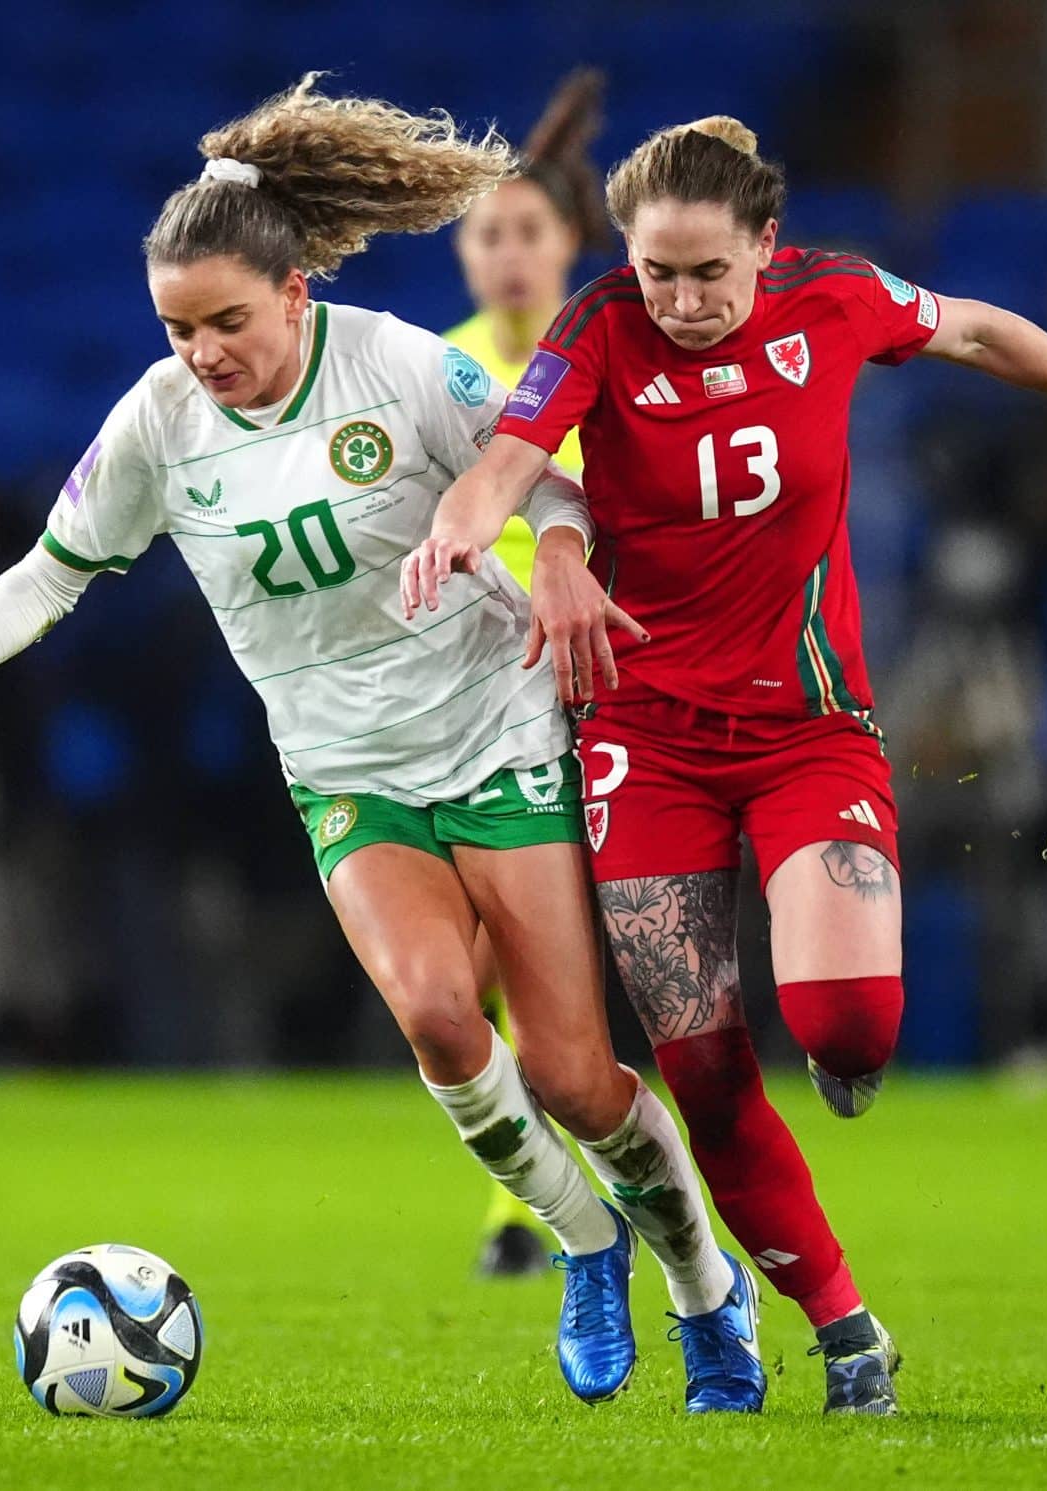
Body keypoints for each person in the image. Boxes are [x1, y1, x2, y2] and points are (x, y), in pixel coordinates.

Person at [0, 80, 764, 1414]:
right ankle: (589, 1241)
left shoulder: (400, 364)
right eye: (179, 327)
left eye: (227, 322)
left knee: (573, 1073)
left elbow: (554, 473)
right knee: (437, 1015)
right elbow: (52, 568)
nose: (202, 351)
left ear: (298, 293)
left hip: (498, 728)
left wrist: (554, 548)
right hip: (344, 770)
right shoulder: (159, 417)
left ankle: (705, 1287)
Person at [406, 115, 1047, 1415]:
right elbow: (507, 467)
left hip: (809, 732)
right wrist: (456, 537)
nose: (678, 301)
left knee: (848, 1029)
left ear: (766, 249)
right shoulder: (596, 327)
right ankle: (840, 1322)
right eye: (656, 270)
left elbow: (973, 327)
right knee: (706, 1070)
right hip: (646, 743)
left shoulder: (838, 299)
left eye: (706, 274)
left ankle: (843, 1071)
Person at [442, 68, 608, 1278]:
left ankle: (628, 1165)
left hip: (606, 683)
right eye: (485, 234)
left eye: (526, 232)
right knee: (486, 963)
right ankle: (522, 1203)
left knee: (615, 950)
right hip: (473, 699)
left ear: (567, 244)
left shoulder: (604, 369)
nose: (506, 255)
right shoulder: (435, 373)